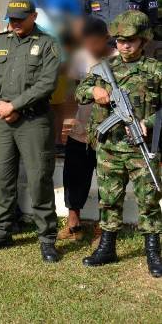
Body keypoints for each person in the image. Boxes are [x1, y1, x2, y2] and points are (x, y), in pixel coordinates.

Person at [77, 11, 162, 277]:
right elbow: (80, 92)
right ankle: (107, 247)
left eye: (131, 40)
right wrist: (95, 91)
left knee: (149, 200)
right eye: (120, 40)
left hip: (141, 148)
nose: (125, 45)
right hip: (110, 148)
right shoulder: (104, 68)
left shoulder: (156, 70)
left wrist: (148, 121)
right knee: (109, 199)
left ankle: (152, 252)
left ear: (144, 40)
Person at [0, 0, 62, 262]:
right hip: (3, 122)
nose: (14, 23)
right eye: (11, 19)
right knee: (1, 177)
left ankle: (47, 237)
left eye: (19, 19)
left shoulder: (47, 44)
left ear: (33, 16)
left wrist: (14, 105)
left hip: (34, 121)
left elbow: (46, 84)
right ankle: (1, 230)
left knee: (39, 179)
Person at [59, 17, 114, 241]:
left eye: (94, 41)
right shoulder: (80, 58)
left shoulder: (119, 59)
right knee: (73, 176)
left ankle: (105, 227)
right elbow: (73, 93)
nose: (89, 46)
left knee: (108, 181)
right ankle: (74, 225)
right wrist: (68, 123)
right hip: (80, 131)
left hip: (110, 133)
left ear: (106, 39)